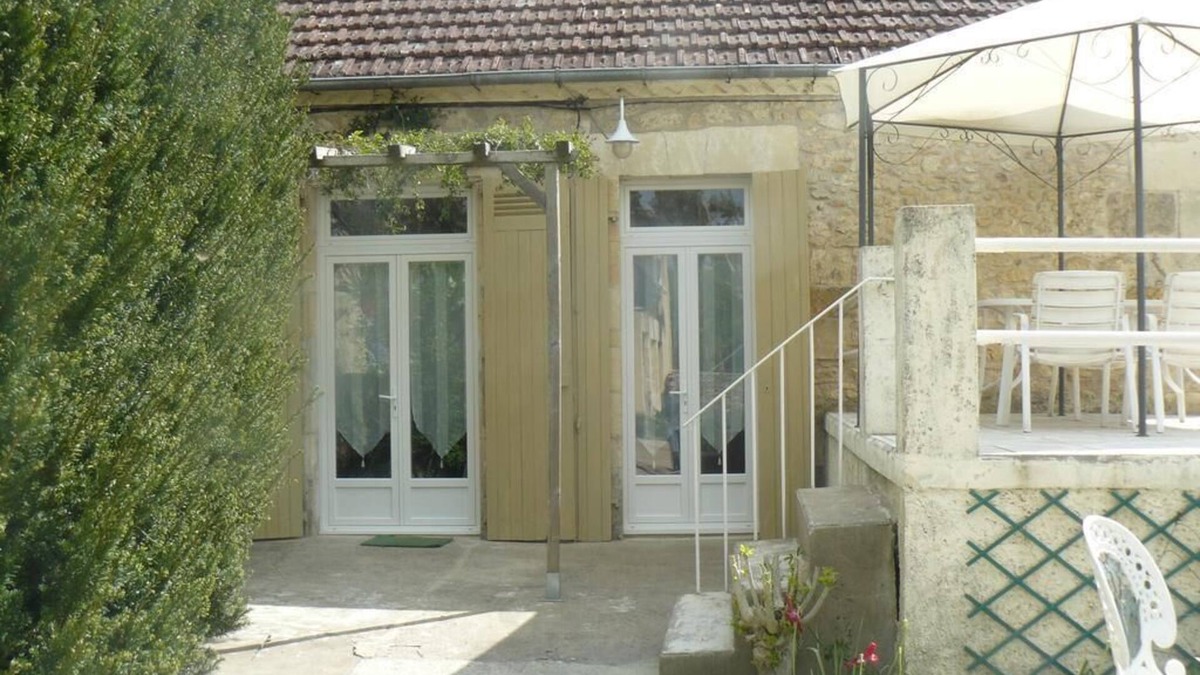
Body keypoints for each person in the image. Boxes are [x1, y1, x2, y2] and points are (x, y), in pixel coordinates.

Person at [661, 371, 681, 473]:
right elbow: (664, 412)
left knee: (682, 447)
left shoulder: (680, 395)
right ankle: (676, 467)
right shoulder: (664, 396)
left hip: (681, 425)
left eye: (673, 380)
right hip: (671, 426)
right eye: (669, 380)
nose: (671, 383)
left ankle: (682, 467)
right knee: (674, 448)